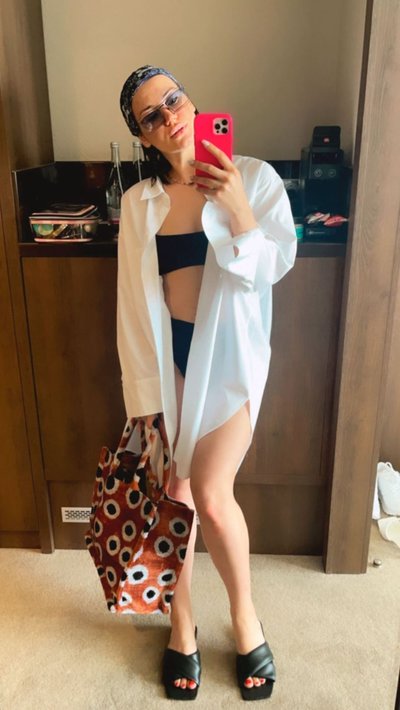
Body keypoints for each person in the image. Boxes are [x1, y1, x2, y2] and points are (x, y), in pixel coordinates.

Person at [118, 64, 297, 701]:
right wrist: (143, 399)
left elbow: (272, 267)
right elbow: (132, 307)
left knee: (212, 497)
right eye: (152, 115)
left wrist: (239, 209)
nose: (170, 116)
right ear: (143, 135)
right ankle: (182, 624)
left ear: (190, 100)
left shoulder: (253, 177)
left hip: (231, 361)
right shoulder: (139, 204)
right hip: (170, 362)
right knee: (174, 498)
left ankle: (245, 619)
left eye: (174, 99)